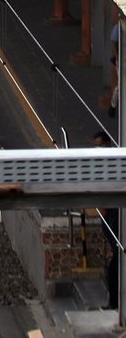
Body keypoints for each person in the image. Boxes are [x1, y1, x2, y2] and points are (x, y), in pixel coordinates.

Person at [93, 130, 119, 309]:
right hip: (109, 216)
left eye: (100, 145)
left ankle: (114, 303)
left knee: (114, 266)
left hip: (113, 217)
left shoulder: (113, 163)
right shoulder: (99, 164)